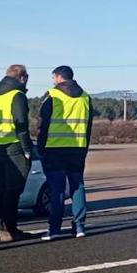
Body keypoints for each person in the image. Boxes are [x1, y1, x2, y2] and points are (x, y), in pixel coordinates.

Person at [37, 65, 92, 239]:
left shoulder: (52, 95)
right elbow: (89, 126)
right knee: (78, 186)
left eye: (54, 78)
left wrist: (40, 147)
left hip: (54, 148)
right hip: (77, 148)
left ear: (59, 77)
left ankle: (54, 229)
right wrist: (84, 147)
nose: (53, 81)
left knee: (57, 189)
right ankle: (80, 226)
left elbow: (42, 124)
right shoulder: (85, 97)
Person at [0, 65, 38, 242]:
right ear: (23, 78)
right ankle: (10, 228)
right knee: (14, 188)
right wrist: (27, 149)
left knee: (3, 188)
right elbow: (21, 123)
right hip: (14, 145)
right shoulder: (17, 95)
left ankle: (3, 227)